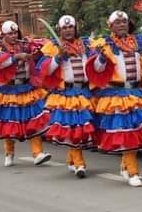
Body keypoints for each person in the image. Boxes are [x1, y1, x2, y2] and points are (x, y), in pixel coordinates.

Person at [89, 10, 142, 187]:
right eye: (118, 22)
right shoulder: (105, 45)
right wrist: (101, 57)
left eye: (124, 21)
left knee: (137, 130)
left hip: (136, 93)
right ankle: (133, 172)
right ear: (111, 26)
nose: (122, 24)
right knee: (126, 132)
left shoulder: (140, 42)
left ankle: (126, 164)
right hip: (116, 96)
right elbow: (97, 70)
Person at [35, 15, 98, 178]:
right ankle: (79, 163)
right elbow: (46, 71)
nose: (68, 30)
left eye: (71, 27)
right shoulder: (53, 47)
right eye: (64, 28)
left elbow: (94, 65)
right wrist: (58, 57)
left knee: (81, 129)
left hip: (85, 92)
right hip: (67, 94)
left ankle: (71, 159)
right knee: (75, 128)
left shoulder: (86, 44)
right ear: (59, 30)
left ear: (75, 28)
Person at [0, 20, 52, 167]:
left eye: (15, 33)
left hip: (26, 88)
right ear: (4, 35)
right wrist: (16, 57)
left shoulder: (25, 46)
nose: (14, 36)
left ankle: (37, 153)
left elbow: (38, 56)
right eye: (10, 33)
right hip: (9, 91)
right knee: (9, 123)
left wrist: (35, 49)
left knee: (33, 121)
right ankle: (9, 151)